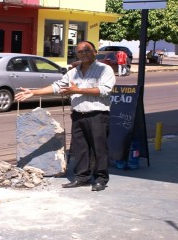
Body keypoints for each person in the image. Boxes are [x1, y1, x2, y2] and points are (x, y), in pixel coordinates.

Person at [15, 41, 116, 192]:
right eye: (80, 52)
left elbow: (105, 90)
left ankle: (101, 179)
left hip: (97, 115)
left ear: (95, 52)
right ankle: (82, 177)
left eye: (87, 50)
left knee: (99, 149)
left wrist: (78, 90)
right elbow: (57, 86)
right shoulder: (73, 72)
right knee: (80, 148)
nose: (83, 54)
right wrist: (34, 92)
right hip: (78, 115)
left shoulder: (104, 69)